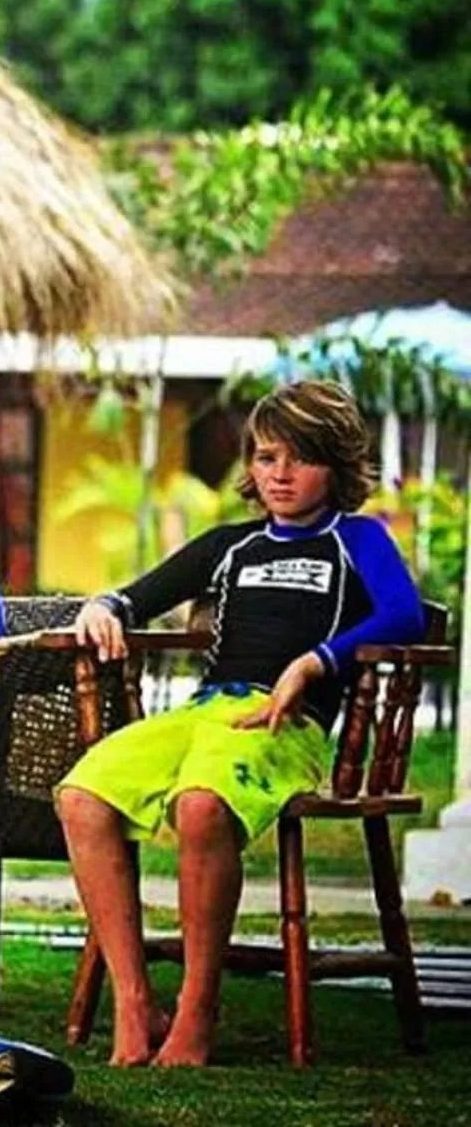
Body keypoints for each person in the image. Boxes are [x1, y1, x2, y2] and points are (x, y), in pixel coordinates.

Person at [57, 379, 422, 1068]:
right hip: (205, 713)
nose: (279, 474)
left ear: (336, 465)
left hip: (285, 724)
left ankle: (198, 1011)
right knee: (82, 795)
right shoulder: (233, 545)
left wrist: (317, 662)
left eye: (300, 458)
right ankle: (136, 1002)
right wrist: (102, 606)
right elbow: (136, 595)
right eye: (265, 457)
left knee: (201, 806)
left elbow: (403, 614)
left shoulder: (357, 540)